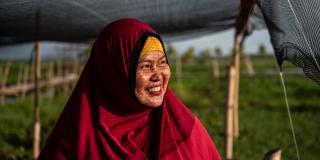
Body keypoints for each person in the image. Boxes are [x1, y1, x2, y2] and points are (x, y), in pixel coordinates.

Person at [39, 18, 221, 160]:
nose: (158, 75)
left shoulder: (183, 129)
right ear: (114, 73)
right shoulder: (76, 136)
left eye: (163, 62)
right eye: (146, 66)